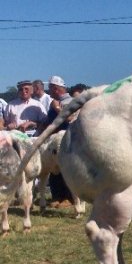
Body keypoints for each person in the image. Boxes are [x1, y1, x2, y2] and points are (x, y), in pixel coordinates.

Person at [46, 75, 74, 208]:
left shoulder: (71, 101)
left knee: (66, 170)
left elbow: (70, 119)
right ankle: (57, 196)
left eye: (50, 88)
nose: (48, 91)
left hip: (67, 140)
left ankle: (69, 198)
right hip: (53, 141)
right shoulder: (54, 102)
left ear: (56, 89)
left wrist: (57, 108)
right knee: (54, 169)